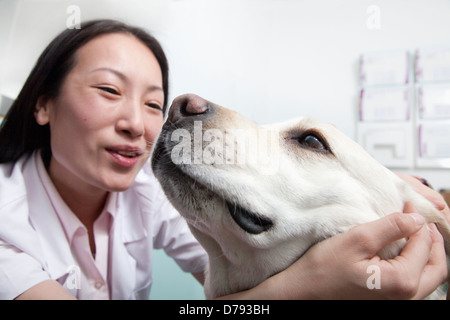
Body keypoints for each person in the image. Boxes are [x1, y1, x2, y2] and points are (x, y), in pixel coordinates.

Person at [0, 19, 448, 300]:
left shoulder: (144, 194)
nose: (138, 124)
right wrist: (301, 289)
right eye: (109, 91)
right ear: (43, 104)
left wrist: (393, 190)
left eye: (155, 105)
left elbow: (234, 268)